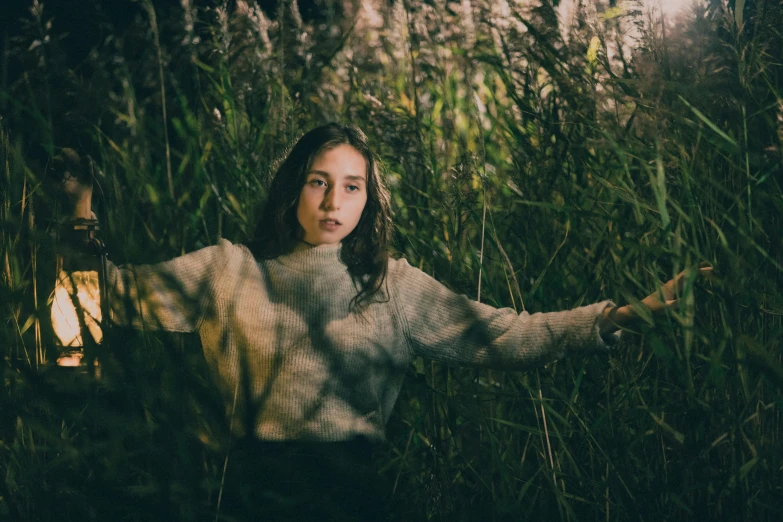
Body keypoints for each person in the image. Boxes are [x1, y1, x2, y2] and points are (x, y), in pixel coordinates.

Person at [51, 123, 708, 521]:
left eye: (351, 185)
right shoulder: (227, 269)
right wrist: (79, 210)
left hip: (349, 498)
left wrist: (623, 315)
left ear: (369, 198)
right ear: (293, 188)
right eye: (317, 181)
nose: (334, 200)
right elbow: (103, 296)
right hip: (249, 493)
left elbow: (505, 334)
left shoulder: (391, 284)